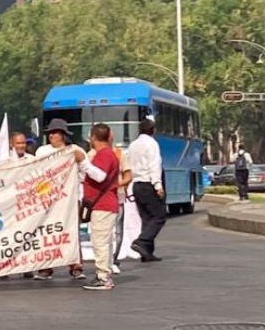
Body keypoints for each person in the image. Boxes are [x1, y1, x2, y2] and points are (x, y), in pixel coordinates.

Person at [31, 119, 88, 280]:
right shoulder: (42, 151)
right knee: (47, 232)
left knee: (71, 232)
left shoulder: (74, 150)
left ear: (63, 135)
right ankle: (45, 267)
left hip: (69, 198)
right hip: (47, 199)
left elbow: (84, 173)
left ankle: (76, 265)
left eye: (55, 133)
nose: (51, 135)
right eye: (50, 133)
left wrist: (79, 165)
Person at [81, 124, 121, 291]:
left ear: (93, 138)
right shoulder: (108, 154)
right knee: (105, 241)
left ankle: (103, 276)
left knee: (100, 241)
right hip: (106, 203)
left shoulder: (104, 155)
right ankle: (106, 272)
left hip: (103, 204)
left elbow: (99, 176)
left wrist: (83, 163)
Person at [128, 116, 166, 261]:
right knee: (159, 216)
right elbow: (154, 165)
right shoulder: (152, 144)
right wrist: (158, 185)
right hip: (148, 183)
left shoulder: (133, 145)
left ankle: (147, 252)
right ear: (153, 130)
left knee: (146, 218)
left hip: (137, 184)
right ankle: (142, 242)